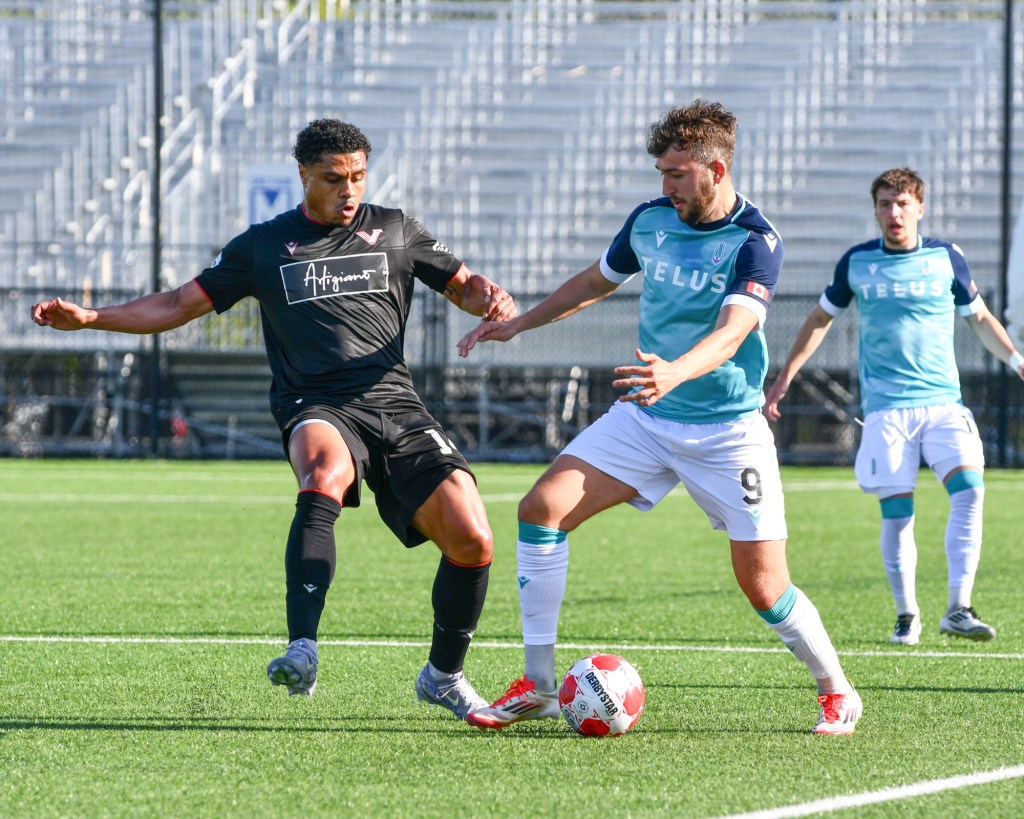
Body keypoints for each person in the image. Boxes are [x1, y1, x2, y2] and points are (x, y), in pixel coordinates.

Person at [32, 118, 517, 720]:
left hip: (394, 402)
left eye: (359, 177)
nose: (350, 191)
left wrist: (493, 299)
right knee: (322, 471)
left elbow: (466, 287)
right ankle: (304, 646)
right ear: (304, 176)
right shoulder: (264, 245)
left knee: (474, 539)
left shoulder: (395, 230)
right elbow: (180, 304)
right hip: (314, 402)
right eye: (334, 179)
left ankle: (443, 676)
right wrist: (93, 318)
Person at [456, 99, 862, 735]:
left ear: (714, 168)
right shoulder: (650, 220)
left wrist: (676, 369)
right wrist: (519, 324)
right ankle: (536, 684)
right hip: (646, 419)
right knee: (541, 509)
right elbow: (596, 281)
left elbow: (733, 333)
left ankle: (836, 689)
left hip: (728, 431)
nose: (665, 187)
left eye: (676, 174)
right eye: (661, 174)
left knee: (763, 585)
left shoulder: (756, 241)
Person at [765, 167, 1024, 646]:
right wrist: (785, 377)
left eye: (903, 203)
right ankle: (907, 614)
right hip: (886, 411)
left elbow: (980, 318)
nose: (894, 212)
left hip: (944, 404)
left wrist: (1016, 360)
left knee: (970, 491)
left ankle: (958, 608)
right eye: (885, 203)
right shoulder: (857, 262)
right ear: (876, 211)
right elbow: (821, 319)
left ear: (920, 208)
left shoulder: (947, 258)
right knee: (898, 515)